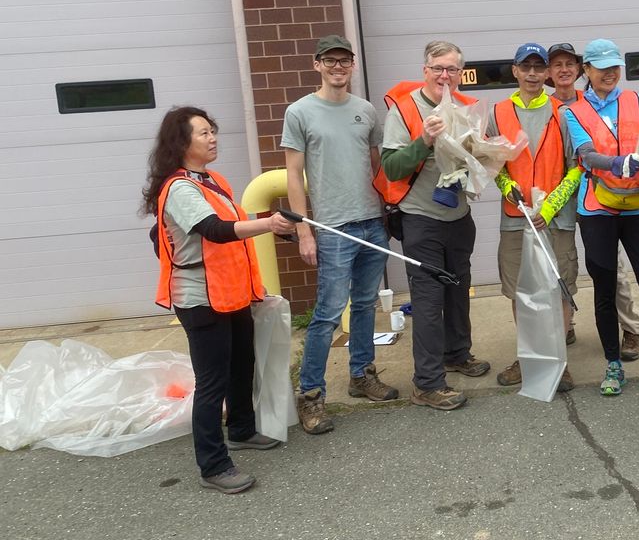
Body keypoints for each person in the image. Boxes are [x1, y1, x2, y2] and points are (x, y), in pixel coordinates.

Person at [143, 106, 295, 494]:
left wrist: (274, 230)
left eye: (213, 131)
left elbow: (230, 225)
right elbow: (214, 230)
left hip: (231, 292)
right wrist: (268, 222)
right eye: (203, 133)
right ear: (181, 143)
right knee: (212, 382)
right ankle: (213, 465)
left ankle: (242, 429)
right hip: (200, 299)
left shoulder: (211, 180)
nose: (212, 139)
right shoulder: (179, 187)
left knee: (242, 364)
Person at [561, 38, 639, 396]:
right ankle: (613, 366)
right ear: (586, 70)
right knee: (604, 287)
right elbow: (587, 155)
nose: (610, 73)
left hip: (637, 206)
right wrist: (620, 163)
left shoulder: (635, 100)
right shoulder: (572, 110)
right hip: (597, 209)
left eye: (614, 66)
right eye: (601, 67)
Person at [283, 35, 395, 435]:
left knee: (365, 305)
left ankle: (362, 375)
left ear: (352, 65)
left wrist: (387, 210)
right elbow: (293, 175)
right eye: (330, 61)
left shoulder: (365, 111)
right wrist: (304, 230)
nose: (338, 67)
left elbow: (378, 165)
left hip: (371, 222)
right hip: (331, 228)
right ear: (317, 65)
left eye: (344, 60)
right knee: (328, 314)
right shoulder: (299, 112)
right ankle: (310, 396)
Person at [378, 40, 491, 411]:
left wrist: (488, 155)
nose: (445, 76)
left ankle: (457, 353)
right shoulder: (405, 108)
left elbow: (477, 158)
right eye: (437, 68)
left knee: (459, 290)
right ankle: (426, 383)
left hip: (458, 216)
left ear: (462, 73)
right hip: (420, 218)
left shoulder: (466, 109)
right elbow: (392, 168)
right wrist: (424, 140)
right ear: (425, 70)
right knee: (427, 301)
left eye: (452, 69)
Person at [488, 43, 583, 391]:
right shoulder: (498, 113)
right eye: (524, 67)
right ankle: (529, 358)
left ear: (546, 73)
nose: (532, 74)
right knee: (520, 291)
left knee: (558, 289)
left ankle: (559, 359)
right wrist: (506, 184)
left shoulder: (564, 112)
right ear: (514, 70)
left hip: (555, 219)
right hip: (515, 218)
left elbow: (576, 170)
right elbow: (491, 162)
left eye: (538, 68)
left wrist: (549, 207)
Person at [546, 42, 639, 359]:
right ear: (549, 72)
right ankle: (566, 323)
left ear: (581, 70)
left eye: (569, 64)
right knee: (563, 266)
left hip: (599, 193)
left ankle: (630, 329)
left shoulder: (595, 103)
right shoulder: (543, 107)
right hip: (558, 199)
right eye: (556, 64)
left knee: (611, 267)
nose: (563, 70)